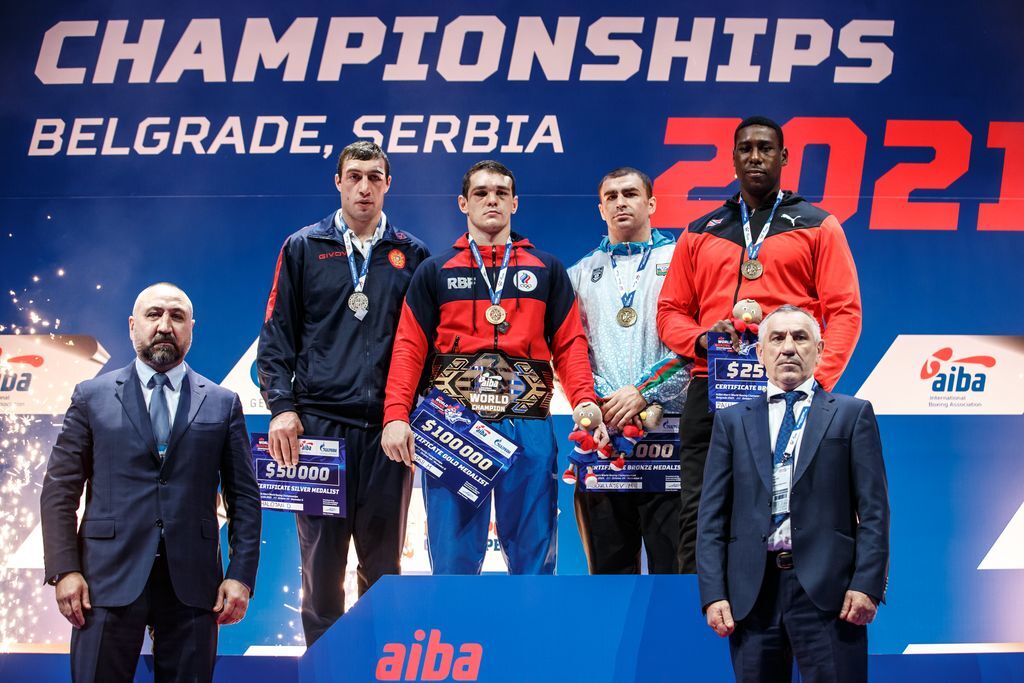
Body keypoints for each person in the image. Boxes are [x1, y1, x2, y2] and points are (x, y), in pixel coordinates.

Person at [657, 115, 862, 572]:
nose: (755, 157)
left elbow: (844, 311)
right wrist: (701, 341)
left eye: (766, 148)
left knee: (786, 510)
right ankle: (698, 620)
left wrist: (815, 382)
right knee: (700, 512)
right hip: (712, 394)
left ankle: (784, 623)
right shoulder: (700, 230)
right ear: (732, 159)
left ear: (784, 157)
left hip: (788, 394)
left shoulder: (818, 224)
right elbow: (670, 312)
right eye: (745, 148)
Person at [381, 160, 601, 575]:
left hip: (528, 424)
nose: (492, 199)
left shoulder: (547, 269)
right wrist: (395, 415)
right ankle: (456, 640)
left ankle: (530, 641)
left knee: (534, 557)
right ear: (463, 203)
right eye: (481, 192)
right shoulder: (435, 271)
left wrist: (584, 400)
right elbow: (409, 348)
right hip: (454, 426)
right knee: (452, 559)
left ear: (515, 203)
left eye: (501, 192)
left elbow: (570, 344)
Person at [41, 283, 261, 683]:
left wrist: (240, 574)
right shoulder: (91, 397)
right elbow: (60, 489)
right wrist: (64, 569)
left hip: (195, 587)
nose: (165, 325)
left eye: (177, 316)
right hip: (102, 582)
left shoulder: (222, 403)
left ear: (191, 329)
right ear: (132, 325)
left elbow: (244, 497)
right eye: (153, 314)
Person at [257, 141, 430, 645]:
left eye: (375, 177)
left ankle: (379, 666)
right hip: (319, 429)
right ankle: (323, 668)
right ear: (338, 182)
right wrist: (282, 408)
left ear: (387, 184)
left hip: (387, 432)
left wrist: (411, 413)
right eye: (354, 176)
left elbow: (421, 345)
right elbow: (276, 337)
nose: (364, 187)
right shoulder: (303, 247)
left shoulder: (412, 254)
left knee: (384, 567)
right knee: (321, 567)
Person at [697, 305, 888, 682]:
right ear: (760, 353)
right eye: (777, 338)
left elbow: (875, 511)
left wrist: (867, 584)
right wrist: (713, 593)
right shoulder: (731, 421)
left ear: (819, 350)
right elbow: (712, 516)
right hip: (752, 595)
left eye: (800, 338)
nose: (788, 347)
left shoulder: (852, 414)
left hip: (830, 594)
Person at [567, 167, 689, 573]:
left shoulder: (684, 262)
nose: (621, 202)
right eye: (612, 196)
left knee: (676, 582)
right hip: (603, 442)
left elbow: (697, 345)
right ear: (600, 208)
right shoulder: (579, 273)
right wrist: (602, 401)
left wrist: (644, 393)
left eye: (631, 193)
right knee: (607, 581)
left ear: (651, 203)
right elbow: (569, 351)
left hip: (670, 444)